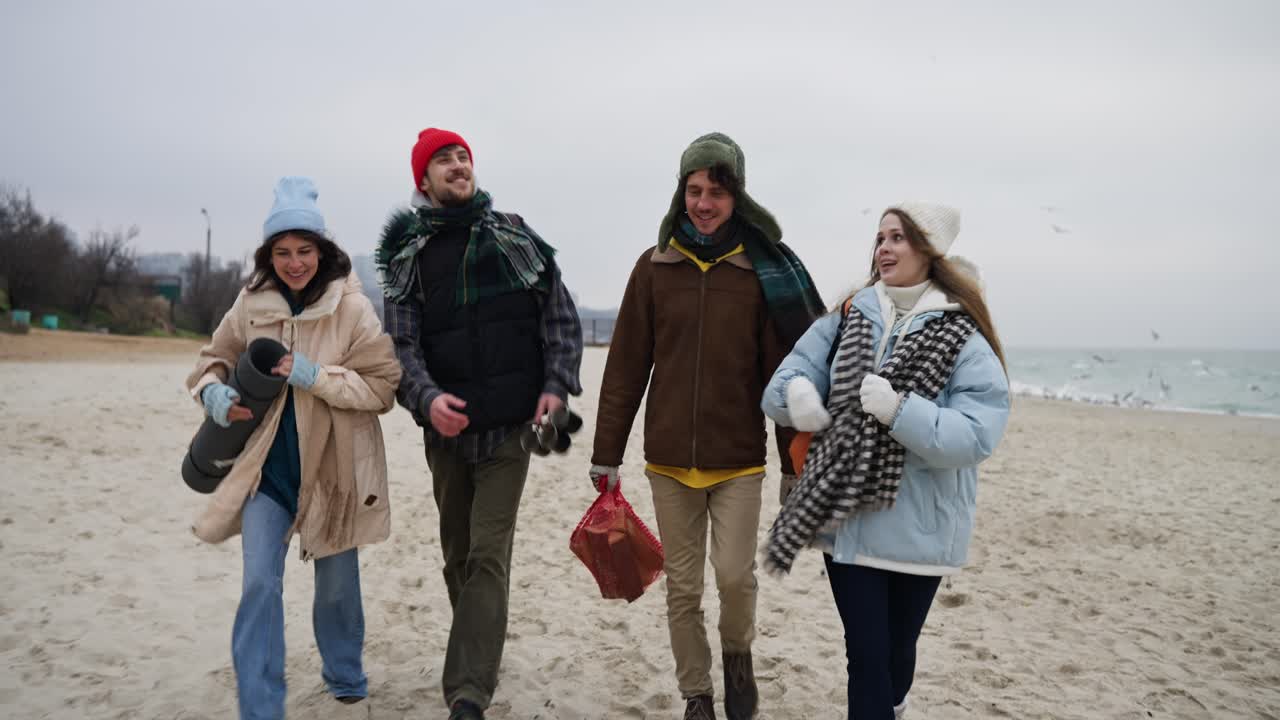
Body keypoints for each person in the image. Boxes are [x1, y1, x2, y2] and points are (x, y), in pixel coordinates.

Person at [590, 132, 824, 720]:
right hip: (668, 460)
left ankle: (738, 664)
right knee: (684, 588)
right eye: (694, 190)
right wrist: (606, 453)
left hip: (739, 460)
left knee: (735, 579)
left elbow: (785, 377)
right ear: (681, 193)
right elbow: (624, 367)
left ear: (736, 197)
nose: (703, 203)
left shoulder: (759, 271)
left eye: (716, 193)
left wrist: (794, 462)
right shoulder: (654, 267)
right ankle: (698, 694)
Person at [761, 203, 1010, 719]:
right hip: (847, 519)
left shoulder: (964, 333)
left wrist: (901, 411)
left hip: (921, 524)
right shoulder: (850, 313)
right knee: (867, 658)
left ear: (929, 250)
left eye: (898, 238)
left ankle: (895, 705)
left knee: (897, 656)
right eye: (880, 238)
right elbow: (783, 382)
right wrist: (800, 398)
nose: (884, 248)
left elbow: (978, 434)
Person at [378, 128, 583, 720]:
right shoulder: (406, 257)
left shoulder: (515, 236)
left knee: (489, 554)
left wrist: (553, 387)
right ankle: (480, 646)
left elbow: (560, 320)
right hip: (445, 433)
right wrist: (426, 399)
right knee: (459, 558)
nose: (457, 165)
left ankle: (468, 691)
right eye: (443, 160)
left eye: (462, 156)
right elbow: (401, 345)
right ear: (424, 181)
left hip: (510, 430)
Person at [185, 176, 402, 720]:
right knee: (259, 581)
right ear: (269, 255)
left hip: (333, 469)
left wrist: (313, 375)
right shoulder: (251, 302)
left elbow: (382, 389)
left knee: (335, 589)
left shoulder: (352, 310)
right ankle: (260, 705)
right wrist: (213, 392)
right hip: (265, 471)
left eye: (304, 250)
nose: (294, 262)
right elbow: (212, 358)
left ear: (323, 252)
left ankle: (344, 674)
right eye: (282, 252)